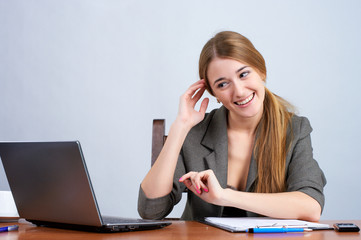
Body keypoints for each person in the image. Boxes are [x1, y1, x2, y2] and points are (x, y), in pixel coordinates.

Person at [138, 31, 326, 221]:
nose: (239, 91)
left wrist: (224, 196)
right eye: (222, 84)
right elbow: (150, 210)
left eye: (243, 74)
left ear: (261, 70)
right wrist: (180, 126)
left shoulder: (295, 129)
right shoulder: (195, 133)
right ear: (214, 94)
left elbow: (310, 207)